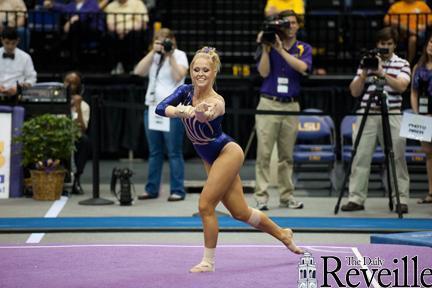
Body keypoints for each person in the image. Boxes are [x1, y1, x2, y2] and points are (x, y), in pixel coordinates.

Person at [155, 47, 304, 273]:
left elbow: (209, 114)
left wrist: (199, 112)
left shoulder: (217, 100)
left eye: (206, 70)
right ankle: (283, 234)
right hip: (209, 157)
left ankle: (208, 262)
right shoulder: (185, 91)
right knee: (240, 212)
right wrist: (180, 111)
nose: (200, 74)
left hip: (227, 152)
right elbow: (160, 108)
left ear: (214, 72)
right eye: (196, 69)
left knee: (205, 205)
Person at [341, 27, 411, 214]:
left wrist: (382, 74)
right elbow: (355, 91)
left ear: (394, 45)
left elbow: (402, 86)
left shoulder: (402, 63)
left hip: (393, 113)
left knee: (397, 157)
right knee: (360, 156)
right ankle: (356, 198)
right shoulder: (367, 63)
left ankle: (400, 199)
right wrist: (364, 73)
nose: (385, 47)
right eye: (382, 44)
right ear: (377, 44)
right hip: (367, 112)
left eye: (389, 44)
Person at [253, 10, 312, 211]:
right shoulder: (268, 44)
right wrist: (267, 49)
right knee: (264, 153)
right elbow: (263, 72)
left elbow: (302, 67)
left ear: (298, 25)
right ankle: (261, 197)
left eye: (293, 23)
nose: (290, 26)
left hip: (291, 104)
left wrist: (280, 50)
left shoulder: (304, 48)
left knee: (286, 155)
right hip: (269, 102)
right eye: (286, 23)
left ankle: (287, 196)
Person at [134, 28, 188, 201]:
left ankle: (177, 190)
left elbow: (179, 75)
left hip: (172, 109)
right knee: (154, 152)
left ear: (173, 40)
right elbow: (138, 71)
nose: (162, 42)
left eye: (165, 39)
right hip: (152, 108)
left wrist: (170, 55)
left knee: (174, 151)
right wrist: (152, 52)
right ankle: (151, 189)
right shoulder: (154, 57)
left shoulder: (179, 55)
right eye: (158, 39)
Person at [43, 0, 104, 68]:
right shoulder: (72, 4)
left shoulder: (92, 2)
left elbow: (90, 12)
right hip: (76, 32)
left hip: (92, 30)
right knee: (75, 28)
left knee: (75, 26)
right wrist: (52, 5)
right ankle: (74, 59)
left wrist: (72, 20)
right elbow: (63, 8)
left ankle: (62, 44)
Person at [410, 34, 432, 204]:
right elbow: (414, 93)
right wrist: (417, 114)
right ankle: (431, 193)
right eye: (431, 42)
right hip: (424, 116)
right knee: (429, 155)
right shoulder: (418, 67)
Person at [64, 71, 91, 195]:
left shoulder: (84, 105)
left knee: (84, 140)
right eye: (67, 82)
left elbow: (82, 129)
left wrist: (78, 107)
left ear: (79, 87)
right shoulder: (55, 99)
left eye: (73, 84)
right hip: (56, 135)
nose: (69, 86)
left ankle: (77, 179)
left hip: (73, 135)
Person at [105, 0, 149, 74]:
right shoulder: (110, 6)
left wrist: (126, 29)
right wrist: (119, 31)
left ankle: (135, 65)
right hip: (117, 32)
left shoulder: (137, 3)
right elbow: (110, 25)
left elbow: (143, 23)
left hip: (133, 31)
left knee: (134, 35)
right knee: (109, 36)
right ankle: (117, 65)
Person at [0, 27, 36, 101]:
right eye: (7, 43)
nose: (10, 46)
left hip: (18, 99)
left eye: (13, 43)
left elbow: (32, 78)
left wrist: (19, 87)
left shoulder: (25, 57)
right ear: (1, 40)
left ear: (18, 41)